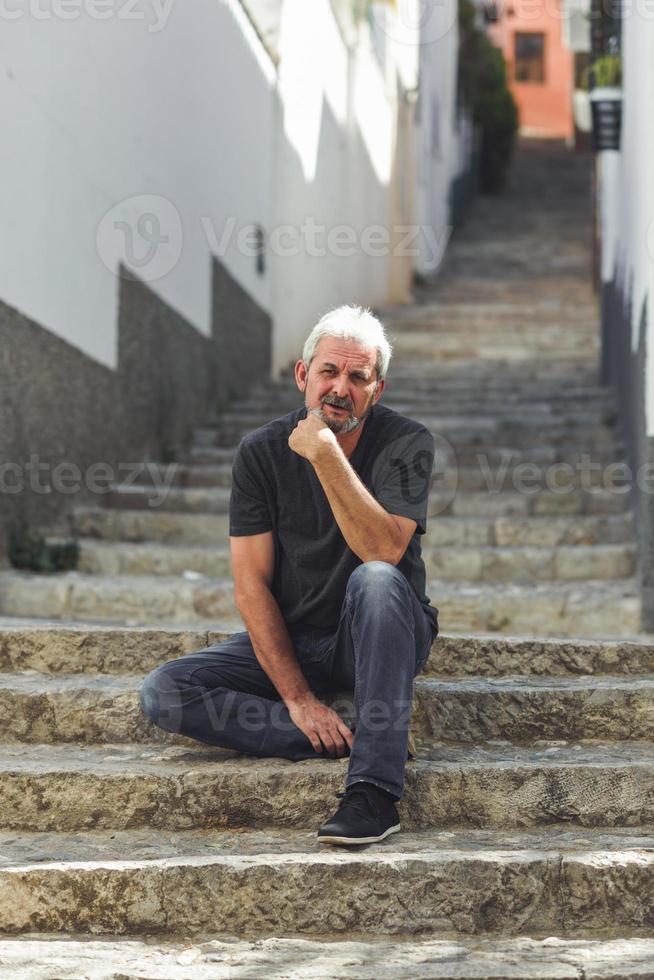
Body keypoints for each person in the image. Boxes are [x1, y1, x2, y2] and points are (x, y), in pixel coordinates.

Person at [139, 304, 439, 846]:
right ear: (303, 375)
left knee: (373, 580)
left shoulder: (407, 443)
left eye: (357, 376)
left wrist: (325, 453)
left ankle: (374, 792)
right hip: (296, 644)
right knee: (166, 691)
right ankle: (362, 734)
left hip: (378, 634)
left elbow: (383, 550)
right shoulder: (259, 453)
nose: (340, 388)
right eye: (328, 371)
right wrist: (298, 701)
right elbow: (251, 585)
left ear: (378, 389)